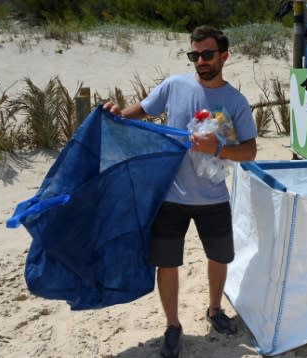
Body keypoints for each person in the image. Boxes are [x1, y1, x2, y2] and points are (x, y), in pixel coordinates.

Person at [103, 25, 257, 358]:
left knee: (219, 258)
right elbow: (143, 110)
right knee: (166, 263)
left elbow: (249, 151)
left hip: (214, 196)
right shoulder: (175, 85)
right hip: (169, 195)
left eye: (207, 54)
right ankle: (173, 326)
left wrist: (217, 149)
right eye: (194, 55)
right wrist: (117, 117)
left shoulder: (235, 101)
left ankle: (215, 310)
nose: (200, 60)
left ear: (224, 56)